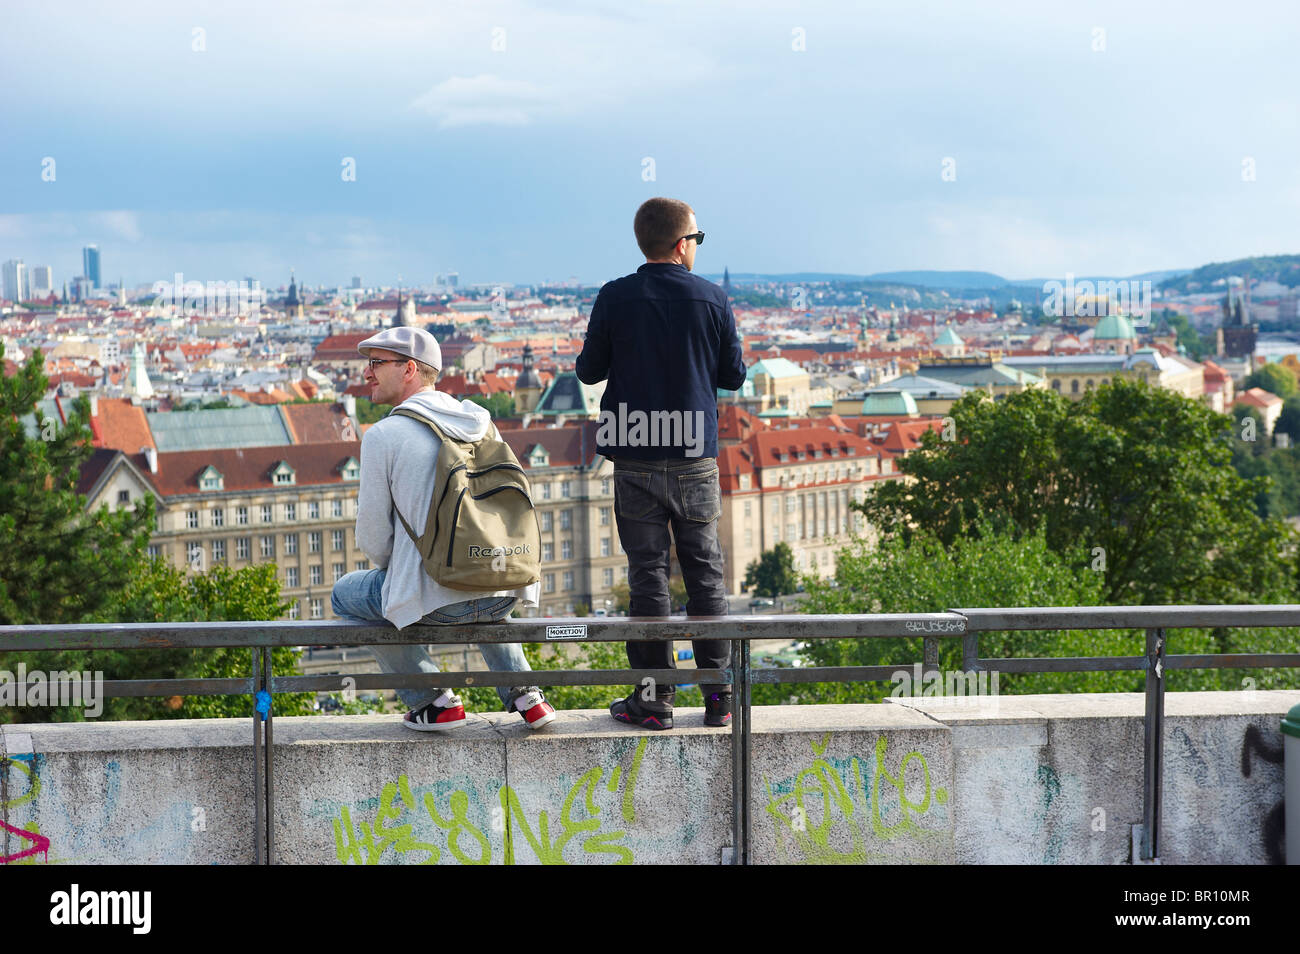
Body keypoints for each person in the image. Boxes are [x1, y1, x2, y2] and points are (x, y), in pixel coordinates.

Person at [575, 197, 747, 730]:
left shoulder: (614, 296)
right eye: (697, 239)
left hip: (633, 449)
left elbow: (587, 371)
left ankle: (653, 701)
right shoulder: (712, 298)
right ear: (681, 244)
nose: (696, 246)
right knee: (704, 571)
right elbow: (734, 376)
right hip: (693, 449)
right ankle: (719, 696)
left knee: (648, 576)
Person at [331, 325, 556, 732]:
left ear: (410, 369)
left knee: (345, 594)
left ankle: (434, 700)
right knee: (479, 578)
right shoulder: (482, 422)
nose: (366, 373)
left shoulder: (383, 435)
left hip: (437, 602)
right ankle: (527, 694)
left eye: (376, 363)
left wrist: (401, 569)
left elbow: (372, 539)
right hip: (505, 592)